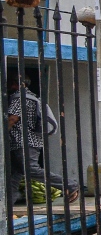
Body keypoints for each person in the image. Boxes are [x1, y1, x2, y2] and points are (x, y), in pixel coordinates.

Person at [6, 74, 77, 203]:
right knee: (14, 174)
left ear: (19, 84)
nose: (9, 86)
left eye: (11, 83)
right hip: (28, 142)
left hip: (24, 142)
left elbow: (12, 119)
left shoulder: (20, 98)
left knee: (30, 169)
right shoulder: (32, 97)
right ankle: (9, 203)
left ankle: (69, 185)